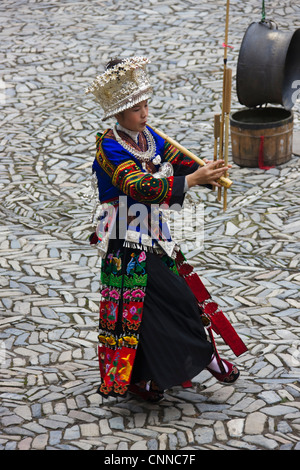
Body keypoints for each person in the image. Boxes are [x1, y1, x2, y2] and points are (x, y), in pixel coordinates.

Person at [86, 57, 246, 402]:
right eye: (136, 109)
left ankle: (152, 377)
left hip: (155, 232)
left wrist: (209, 174)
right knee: (159, 304)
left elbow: (181, 160)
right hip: (125, 239)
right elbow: (139, 186)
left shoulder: (150, 137)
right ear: (118, 113)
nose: (144, 113)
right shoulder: (109, 146)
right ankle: (204, 360)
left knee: (159, 306)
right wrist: (190, 180)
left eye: (146, 105)